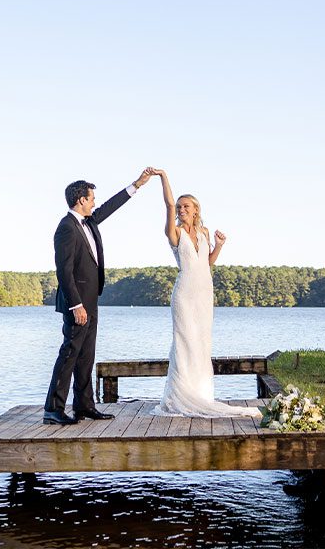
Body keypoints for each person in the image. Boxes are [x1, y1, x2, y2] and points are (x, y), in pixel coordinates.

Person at [43, 168, 155, 425]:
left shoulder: (90, 221)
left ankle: (84, 406)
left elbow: (110, 206)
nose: (94, 202)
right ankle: (53, 408)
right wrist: (76, 305)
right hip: (77, 305)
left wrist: (137, 184)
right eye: (91, 198)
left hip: (91, 301)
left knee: (86, 356)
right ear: (81, 199)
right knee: (70, 354)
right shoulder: (66, 227)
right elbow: (64, 270)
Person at [149, 169, 259, 418]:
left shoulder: (204, 232)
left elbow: (207, 263)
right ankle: (180, 395)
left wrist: (219, 246)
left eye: (186, 206)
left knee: (201, 343)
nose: (181, 210)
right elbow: (167, 203)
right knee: (184, 341)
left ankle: (200, 393)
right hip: (185, 294)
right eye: (179, 207)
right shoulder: (174, 232)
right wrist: (163, 176)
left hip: (204, 293)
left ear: (196, 209)